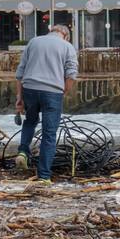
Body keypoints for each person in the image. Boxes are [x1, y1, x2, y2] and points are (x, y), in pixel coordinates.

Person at [14, 24, 79, 181]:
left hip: (29, 88)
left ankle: (23, 151)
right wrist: (63, 91)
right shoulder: (67, 46)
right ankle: (43, 176)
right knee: (49, 134)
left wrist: (19, 97)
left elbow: (20, 73)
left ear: (51, 31)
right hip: (52, 91)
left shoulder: (34, 42)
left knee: (30, 121)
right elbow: (71, 74)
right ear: (65, 35)